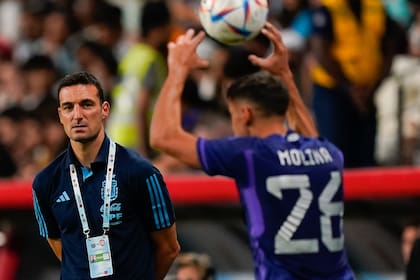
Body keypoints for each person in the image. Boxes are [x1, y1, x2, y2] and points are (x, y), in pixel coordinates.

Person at [150, 22, 355, 279]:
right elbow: (308, 134)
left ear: (245, 114)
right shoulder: (328, 153)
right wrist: (285, 75)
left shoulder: (249, 154)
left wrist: (177, 71)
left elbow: (162, 137)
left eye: (233, 114)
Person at [32, 72, 180, 279]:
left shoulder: (141, 173)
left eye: (86, 104)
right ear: (60, 115)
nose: (77, 115)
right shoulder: (45, 182)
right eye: (68, 107)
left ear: (104, 110)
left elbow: (169, 248)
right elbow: (63, 249)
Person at [309, 0, 404, 167]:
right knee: (336, 153)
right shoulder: (328, 8)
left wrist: (373, 87)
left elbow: (390, 47)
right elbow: (321, 51)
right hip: (333, 92)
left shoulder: (377, 8)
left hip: (368, 92)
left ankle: (363, 193)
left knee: (365, 156)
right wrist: (349, 89)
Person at [106, 0, 172, 158]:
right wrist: (143, 152)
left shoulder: (131, 54)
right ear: (160, 28)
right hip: (133, 141)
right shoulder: (152, 59)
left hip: (114, 135)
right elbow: (140, 106)